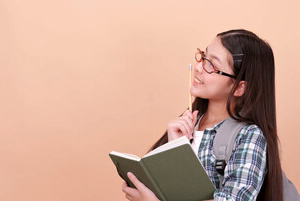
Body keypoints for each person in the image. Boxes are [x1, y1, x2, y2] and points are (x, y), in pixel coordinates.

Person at [121, 29, 284, 201]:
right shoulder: (188, 124)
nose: (199, 67)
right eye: (203, 57)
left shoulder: (249, 136)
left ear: (239, 87)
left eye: (212, 65)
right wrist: (173, 149)